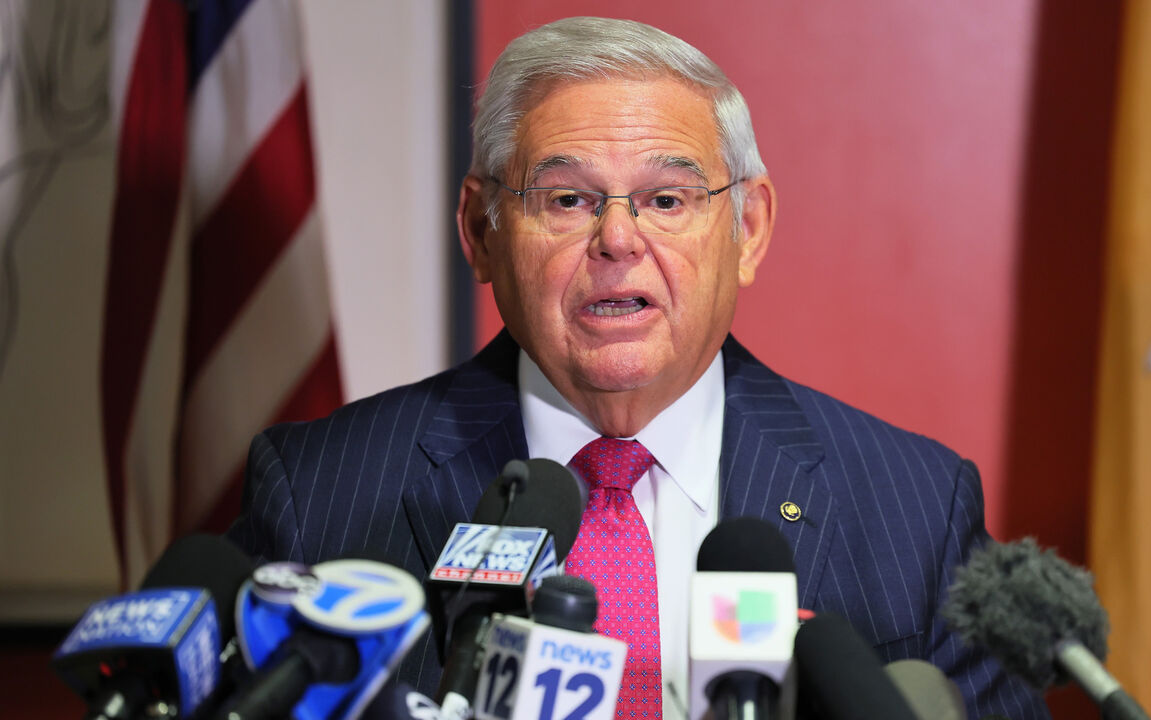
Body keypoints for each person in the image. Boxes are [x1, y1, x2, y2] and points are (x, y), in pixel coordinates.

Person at [228, 16, 1050, 719]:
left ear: (749, 228)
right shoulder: (320, 494)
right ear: (482, 232)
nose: (618, 242)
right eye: (567, 199)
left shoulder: (915, 510)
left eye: (665, 199)